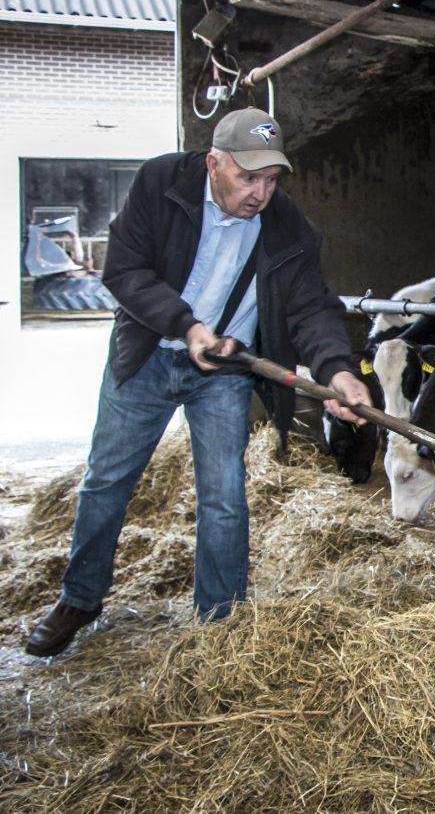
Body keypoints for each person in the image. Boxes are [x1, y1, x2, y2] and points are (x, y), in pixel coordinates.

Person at [25, 107, 371, 657]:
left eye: (272, 178)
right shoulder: (161, 184)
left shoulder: (288, 226)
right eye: (248, 177)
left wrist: (339, 371)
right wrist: (185, 325)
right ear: (214, 163)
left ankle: (220, 623)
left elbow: (312, 308)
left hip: (225, 371)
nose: (261, 192)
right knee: (107, 480)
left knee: (225, 496)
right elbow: (125, 272)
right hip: (148, 356)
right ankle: (81, 597)